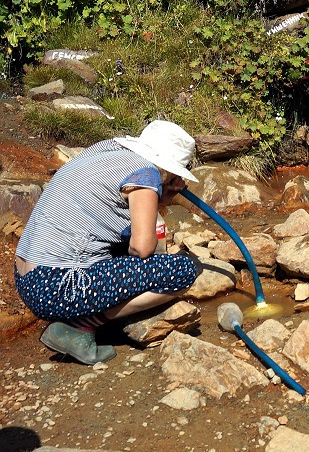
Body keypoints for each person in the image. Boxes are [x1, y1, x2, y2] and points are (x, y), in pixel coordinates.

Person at [14, 120, 201, 364]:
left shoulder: (105, 150)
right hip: (57, 285)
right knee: (182, 271)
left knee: (121, 248)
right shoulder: (147, 174)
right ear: (171, 168)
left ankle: (85, 313)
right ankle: (78, 329)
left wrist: (161, 195)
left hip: (26, 278)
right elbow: (142, 248)